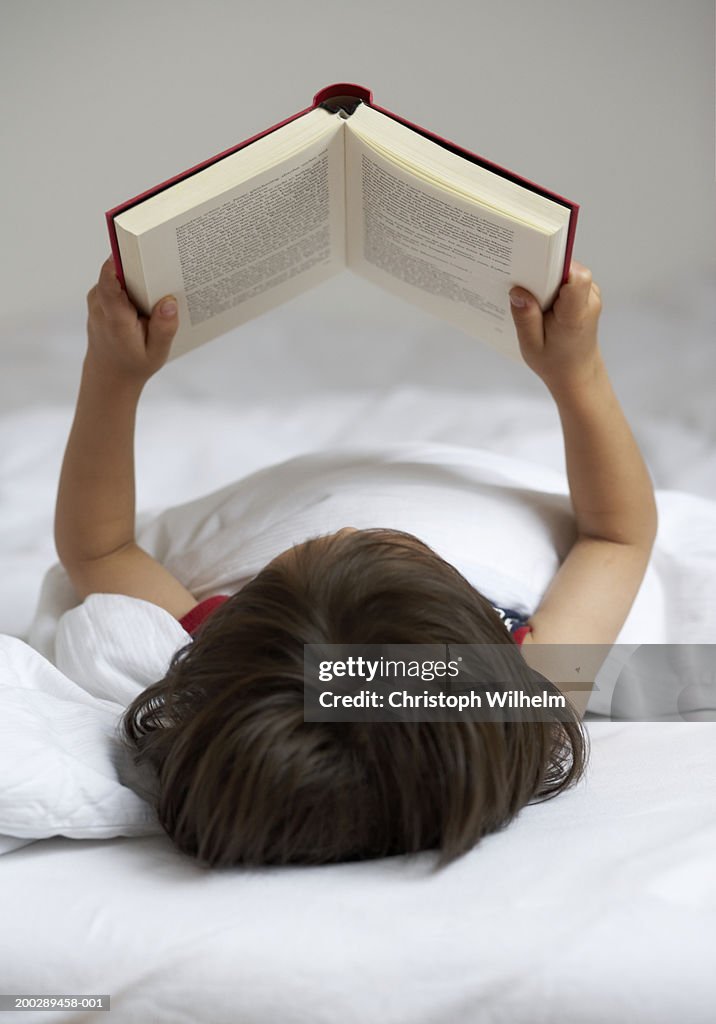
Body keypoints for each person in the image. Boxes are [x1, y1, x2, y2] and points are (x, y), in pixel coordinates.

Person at [54, 256, 657, 869]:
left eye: (308, 546)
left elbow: (99, 549)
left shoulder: (244, 663)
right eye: (390, 541)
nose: (345, 524)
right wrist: (577, 372)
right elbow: (616, 536)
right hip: (486, 487)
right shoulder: (525, 700)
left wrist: (113, 372)